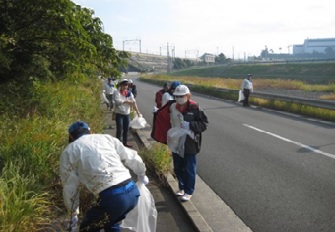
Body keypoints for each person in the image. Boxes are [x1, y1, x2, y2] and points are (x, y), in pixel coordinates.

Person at [59, 121, 149, 232]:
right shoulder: (106, 138)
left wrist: (73, 214)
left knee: (87, 227)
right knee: (110, 222)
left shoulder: (69, 151)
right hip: (133, 192)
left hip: (113, 197)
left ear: (71, 136)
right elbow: (131, 156)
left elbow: (70, 185)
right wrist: (141, 174)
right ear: (90, 132)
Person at [114, 79, 141, 148]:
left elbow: (134, 102)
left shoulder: (129, 93)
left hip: (127, 114)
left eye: (126, 85)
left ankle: (125, 142)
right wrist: (126, 101)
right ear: (121, 85)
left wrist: (138, 112)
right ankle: (118, 144)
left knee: (126, 129)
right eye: (124, 85)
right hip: (119, 113)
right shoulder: (117, 92)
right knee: (119, 129)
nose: (125, 87)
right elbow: (117, 102)